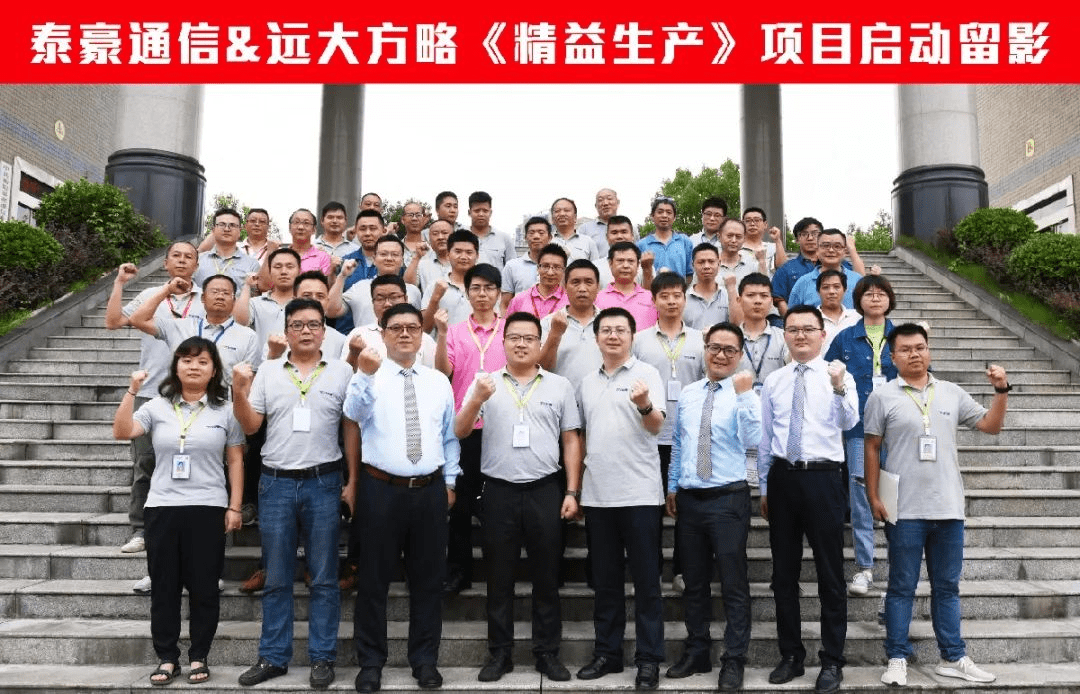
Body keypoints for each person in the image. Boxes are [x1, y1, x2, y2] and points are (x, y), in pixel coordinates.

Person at [865, 323, 1010, 687]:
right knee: (901, 586)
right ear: (892, 357)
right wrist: (873, 496)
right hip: (904, 509)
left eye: (920, 347)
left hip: (948, 507)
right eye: (906, 349)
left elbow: (991, 426)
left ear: (929, 351)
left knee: (947, 587)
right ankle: (897, 656)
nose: (914, 354)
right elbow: (871, 447)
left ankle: (954, 657)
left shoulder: (951, 392)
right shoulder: (882, 396)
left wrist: (1000, 391)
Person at [231, 299, 359, 690]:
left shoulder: (342, 371)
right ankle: (273, 657)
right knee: (277, 576)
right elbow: (251, 426)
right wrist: (239, 392)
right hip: (276, 483)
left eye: (314, 324)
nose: (306, 331)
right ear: (286, 331)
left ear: (325, 331)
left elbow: (350, 427)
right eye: (298, 325)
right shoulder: (268, 370)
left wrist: (352, 480)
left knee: (324, 577)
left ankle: (322, 658)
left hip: (324, 482)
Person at [453, 312, 582, 683]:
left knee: (547, 577)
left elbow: (571, 439)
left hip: (545, 489)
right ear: (504, 342)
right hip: (498, 491)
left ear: (540, 343)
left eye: (529, 338)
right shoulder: (486, 382)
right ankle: (500, 654)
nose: (521, 344)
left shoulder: (559, 386)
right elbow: (460, 430)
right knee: (499, 577)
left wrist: (572, 490)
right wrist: (476, 400)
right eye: (514, 337)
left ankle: (547, 653)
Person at [112, 337, 244, 686]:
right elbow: (122, 431)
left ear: (214, 370)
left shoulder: (226, 410)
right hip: (163, 508)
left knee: (204, 588)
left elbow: (235, 460)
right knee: (164, 588)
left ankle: (199, 655)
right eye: (186, 360)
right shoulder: (157, 406)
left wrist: (234, 506)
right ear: (175, 367)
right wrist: (131, 391)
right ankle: (167, 657)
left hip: (208, 507)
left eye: (202, 361)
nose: (193, 366)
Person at [344, 303, 461, 693]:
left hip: (429, 490)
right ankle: (370, 664)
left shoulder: (438, 381)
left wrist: (450, 482)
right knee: (373, 580)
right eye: (396, 328)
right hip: (381, 489)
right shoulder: (369, 375)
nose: (406, 334)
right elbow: (353, 412)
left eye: (413, 327)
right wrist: (364, 373)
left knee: (428, 581)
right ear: (383, 333)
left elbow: (449, 436)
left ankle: (425, 661)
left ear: (422, 335)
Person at [758, 305, 858, 694]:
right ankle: (791, 655)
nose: (800, 335)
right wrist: (764, 487)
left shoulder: (839, 375)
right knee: (784, 575)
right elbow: (766, 437)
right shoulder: (775, 380)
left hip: (823, 478)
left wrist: (838, 387)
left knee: (830, 574)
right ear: (785, 335)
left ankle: (832, 660)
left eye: (808, 329)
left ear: (822, 334)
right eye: (793, 329)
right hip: (783, 478)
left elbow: (849, 422)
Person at [665, 323, 759, 691]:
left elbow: (754, 440)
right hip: (690, 499)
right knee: (694, 582)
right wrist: (673, 485)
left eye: (729, 350)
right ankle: (697, 650)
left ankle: (734, 659)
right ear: (705, 349)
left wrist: (746, 396)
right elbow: (678, 442)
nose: (720, 355)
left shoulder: (746, 392)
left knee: (733, 582)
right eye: (714, 347)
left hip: (727, 498)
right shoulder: (689, 393)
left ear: (740, 355)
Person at [575, 307, 666, 690]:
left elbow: (657, 425)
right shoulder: (586, 382)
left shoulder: (648, 374)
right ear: (596, 337)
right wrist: (577, 489)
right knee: (606, 582)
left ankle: (648, 660)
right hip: (598, 496)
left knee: (646, 583)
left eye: (621, 330)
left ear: (632, 336)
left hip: (640, 494)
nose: (613, 336)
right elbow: (581, 436)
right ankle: (607, 653)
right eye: (606, 330)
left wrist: (643, 403)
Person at [104, 243, 204, 558]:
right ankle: (140, 529)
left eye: (189, 256)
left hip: (193, 395)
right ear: (165, 263)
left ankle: (188, 528)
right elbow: (114, 322)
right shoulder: (150, 296)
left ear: (197, 265)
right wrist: (120, 283)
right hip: (150, 393)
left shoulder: (207, 298)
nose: (183, 260)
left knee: (195, 462)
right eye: (176, 256)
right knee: (145, 462)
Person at [435, 263, 507, 595]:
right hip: (464, 428)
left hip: (501, 427)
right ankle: (458, 571)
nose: (482, 294)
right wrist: (440, 335)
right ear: (467, 293)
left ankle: (499, 572)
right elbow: (443, 372)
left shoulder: (510, 330)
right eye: (476, 288)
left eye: (489, 288)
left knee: (498, 506)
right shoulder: (455, 331)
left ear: (499, 293)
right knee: (460, 506)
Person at [631, 272, 705, 591]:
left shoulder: (701, 339)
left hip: (688, 437)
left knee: (686, 509)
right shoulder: (639, 341)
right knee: (649, 509)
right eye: (665, 296)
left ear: (685, 299)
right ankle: (650, 570)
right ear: (654, 300)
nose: (672, 301)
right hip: (650, 436)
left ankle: (682, 570)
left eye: (677, 295)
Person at [825, 274, 898, 597]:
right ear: (858, 300)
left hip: (897, 431)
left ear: (890, 299)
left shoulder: (901, 336)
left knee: (896, 497)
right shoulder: (844, 338)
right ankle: (865, 567)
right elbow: (827, 375)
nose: (875, 298)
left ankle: (898, 566)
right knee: (860, 498)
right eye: (868, 294)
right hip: (858, 429)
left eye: (881, 293)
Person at [129, 274, 259, 387]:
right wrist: (166, 290)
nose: (220, 296)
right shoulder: (180, 326)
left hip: (223, 402)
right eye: (214, 292)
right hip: (179, 401)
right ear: (203, 298)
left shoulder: (248, 336)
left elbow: (248, 382)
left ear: (234, 301)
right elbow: (138, 320)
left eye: (226, 293)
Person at [736, 273, 790, 486]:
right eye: (751, 295)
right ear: (739, 299)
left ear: (771, 301)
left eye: (763, 296)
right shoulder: (730, 337)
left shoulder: (783, 336)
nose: (757, 301)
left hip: (775, 419)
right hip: (737, 420)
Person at [539, 259, 603, 385]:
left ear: (598, 287)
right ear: (564, 286)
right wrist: (555, 334)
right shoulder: (548, 323)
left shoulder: (610, 323)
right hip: (560, 395)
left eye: (589, 282)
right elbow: (540, 369)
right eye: (575, 282)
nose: (582, 289)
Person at [787, 228, 866, 309]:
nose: (831, 250)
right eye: (825, 246)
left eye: (837, 246)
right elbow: (792, 314)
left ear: (844, 251)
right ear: (817, 250)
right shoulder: (803, 283)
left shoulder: (857, 281)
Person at [194, 208, 262, 294]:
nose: (226, 229)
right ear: (213, 230)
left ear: (240, 231)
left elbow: (254, 297)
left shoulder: (252, 265)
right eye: (221, 224)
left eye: (232, 225)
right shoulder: (197, 260)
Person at [422, 230, 479, 332]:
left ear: (477, 256)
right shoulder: (435, 286)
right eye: (458, 251)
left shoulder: (486, 287)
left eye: (469, 252)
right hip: (444, 342)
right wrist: (435, 298)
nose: (463, 257)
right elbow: (425, 328)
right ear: (448, 255)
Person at [595, 241, 658, 331]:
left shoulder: (652, 298)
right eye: (620, 261)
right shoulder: (598, 299)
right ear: (610, 264)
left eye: (631, 261)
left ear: (638, 265)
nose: (625, 266)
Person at [683, 243, 741, 330]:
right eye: (701, 262)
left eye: (711, 261)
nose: (706, 266)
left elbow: (737, 325)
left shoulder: (728, 295)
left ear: (719, 264)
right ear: (693, 265)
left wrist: (732, 289)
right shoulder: (683, 299)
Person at [501, 216, 553, 309]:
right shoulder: (512, 266)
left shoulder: (559, 267)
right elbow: (505, 304)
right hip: (521, 317)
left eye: (541, 233)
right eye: (531, 233)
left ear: (550, 237)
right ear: (525, 237)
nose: (536, 236)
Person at [505, 243, 569, 319]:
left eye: (557, 267)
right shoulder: (519, 300)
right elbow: (508, 325)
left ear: (564, 271)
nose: (550, 272)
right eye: (545, 266)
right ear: (538, 268)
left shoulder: (570, 302)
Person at [638, 196, 693, 281]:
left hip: (679, 289)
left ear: (674, 217)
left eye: (669, 212)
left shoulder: (685, 241)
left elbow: (690, 273)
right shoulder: (641, 245)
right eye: (660, 212)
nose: (664, 215)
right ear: (652, 216)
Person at [597, 215, 653, 289]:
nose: (619, 236)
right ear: (607, 237)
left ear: (632, 236)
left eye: (624, 232)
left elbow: (651, 294)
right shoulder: (596, 267)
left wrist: (647, 271)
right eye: (614, 233)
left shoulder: (645, 265)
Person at [467, 191, 516, 269]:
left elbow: (512, 269)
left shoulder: (504, 238)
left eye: (485, 211)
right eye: (477, 211)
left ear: (490, 212)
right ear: (469, 212)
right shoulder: (460, 236)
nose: (481, 214)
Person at [817, 270, 860, 356]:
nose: (831, 291)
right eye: (826, 287)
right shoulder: (810, 320)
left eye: (836, 287)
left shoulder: (857, 318)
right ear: (818, 292)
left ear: (845, 290)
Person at [550, 196, 601, 263]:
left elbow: (597, 267)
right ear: (552, 219)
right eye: (557, 211)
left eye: (566, 210)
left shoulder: (588, 242)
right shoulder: (546, 241)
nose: (562, 214)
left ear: (575, 217)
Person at [740, 206, 788, 275]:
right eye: (748, 221)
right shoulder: (736, 247)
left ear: (765, 225)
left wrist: (778, 240)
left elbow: (784, 268)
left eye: (757, 220)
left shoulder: (773, 247)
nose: (752, 224)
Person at [579, 187, 622, 258]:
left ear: (618, 202)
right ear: (596, 206)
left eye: (609, 198)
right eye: (600, 200)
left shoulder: (629, 228)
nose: (605, 203)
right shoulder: (584, 229)